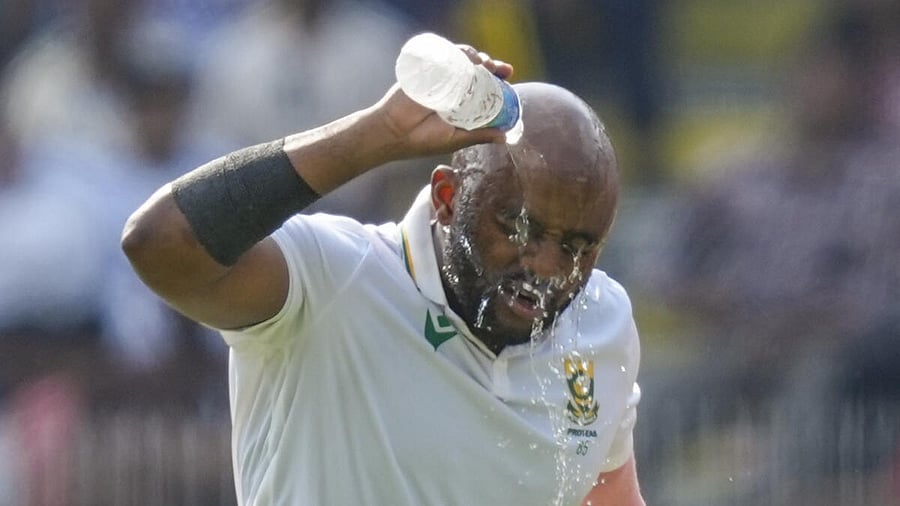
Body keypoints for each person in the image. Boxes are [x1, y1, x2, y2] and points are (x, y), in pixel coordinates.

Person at [122, 44, 645, 505]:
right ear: (447, 198)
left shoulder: (603, 321)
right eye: (520, 229)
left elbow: (608, 493)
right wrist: (379, 134)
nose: (548, 267)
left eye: (580, 246)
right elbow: (159, 243)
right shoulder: (333, 277)